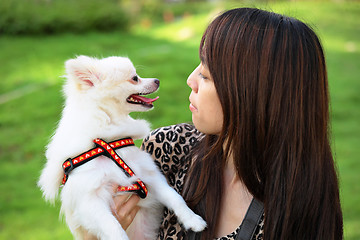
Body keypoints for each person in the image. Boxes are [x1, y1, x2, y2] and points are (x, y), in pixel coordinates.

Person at [112, 7, 343, 240]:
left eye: (206, 74)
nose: (191, 80)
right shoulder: (168, 150)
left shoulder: (300, 208)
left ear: (254, 94)